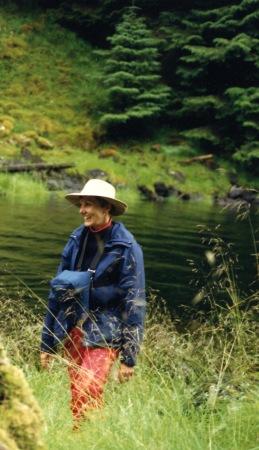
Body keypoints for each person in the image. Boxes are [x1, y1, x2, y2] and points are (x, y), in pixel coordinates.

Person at [40, 179, 145, 424]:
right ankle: (86, 436)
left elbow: (135, 301)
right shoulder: (75, 239)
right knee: (77, 388)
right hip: (73, 327)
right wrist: (47, 344)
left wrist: (129, 357)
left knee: (88, 388)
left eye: (88, 204)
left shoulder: (127, 247)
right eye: (81, 204)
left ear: (106, 207)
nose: (82, 210)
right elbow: (57, 292)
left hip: (106, 331)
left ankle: (87, 434)